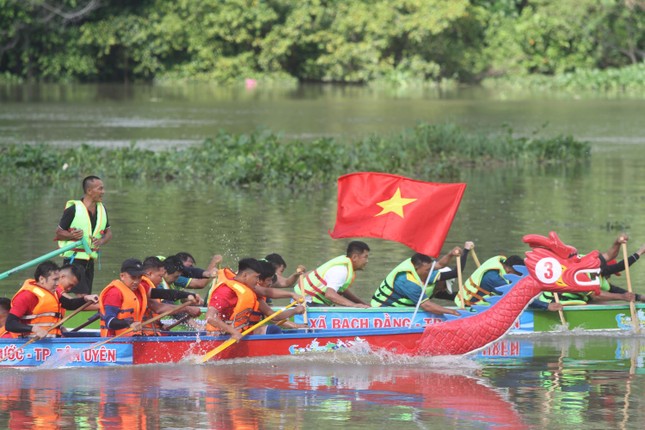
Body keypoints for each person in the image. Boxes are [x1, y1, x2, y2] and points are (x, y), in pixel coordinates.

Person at [205, 258, 305, 339]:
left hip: (238, 332)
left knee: (273, 330)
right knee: (273, 330)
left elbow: (268, 299)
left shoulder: (248, 290)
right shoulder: (225, 291)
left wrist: (293, 303)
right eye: (256, 277)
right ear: (245, 275)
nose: (257, 281)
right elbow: (209, 317)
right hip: (218, 336)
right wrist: (233, 332)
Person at [99, 258, 195, 337]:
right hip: (116, 342)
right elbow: (109, 322)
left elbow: (162, 293)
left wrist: (186, 295)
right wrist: (128, 324)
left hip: (135, 337)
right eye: (133, 277)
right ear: (122, 276)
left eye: (139, 277)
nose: (137, 281)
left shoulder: (139, 288)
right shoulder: (114, 293)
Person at [371, 244, 476, 316]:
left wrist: (450, 254)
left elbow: (440, 264)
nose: (430, 272)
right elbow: (427, 306)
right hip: (382, 311)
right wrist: (454, 313)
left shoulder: (422, 268)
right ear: (416, 269)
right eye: (427, 270)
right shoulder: (408, 282)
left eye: (431, 269)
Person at [5, 261, 98, 338]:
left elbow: (70, 304)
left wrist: (86, 299)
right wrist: (33, 329)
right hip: (33, 345)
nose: (58, 284)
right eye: (54, 280)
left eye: (58, 280)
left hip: (51, 343)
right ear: (42, 279)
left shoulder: (54, 293)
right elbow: (10, 324)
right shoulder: (27, 296)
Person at [54, 175, 112, 295]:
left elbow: (108, 233)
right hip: (74, 259)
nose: (103, 192)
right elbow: (59, 233)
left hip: (90, 259)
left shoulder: (102, 209)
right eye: (100, 189)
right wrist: (72, 235)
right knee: (83, 296)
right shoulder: (73, 209)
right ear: (89, 191)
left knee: (87, 295)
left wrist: (101, 241)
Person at [294, 241, 371, 308]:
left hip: (313, 301)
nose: (367, 261)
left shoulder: (346, 267)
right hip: (305, 301)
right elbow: (330, 294)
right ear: (354, 257)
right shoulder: (341, 270)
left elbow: (342, 290)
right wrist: (353, 305)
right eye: (365, 257)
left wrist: (362, 304)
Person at [455, 255, 527, 307]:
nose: (518, 278)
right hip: (470, 307)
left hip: (465, 300)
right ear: (509, 270)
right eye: (518, 275)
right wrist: (538, 305)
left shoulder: (500, 263)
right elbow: (518, 297)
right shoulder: (495, 279)